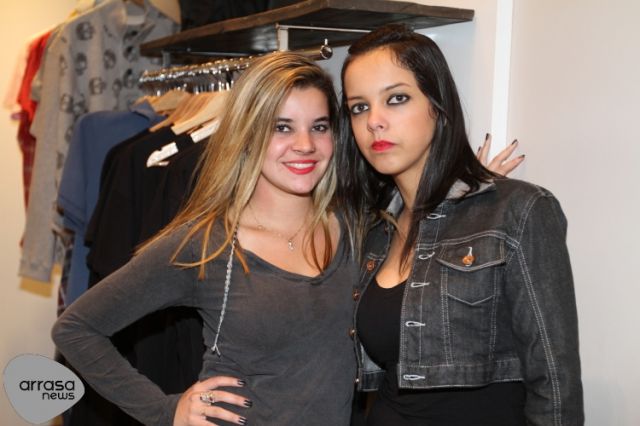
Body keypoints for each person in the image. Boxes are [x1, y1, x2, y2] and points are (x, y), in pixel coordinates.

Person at [52, 51, 359, 426]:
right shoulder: (207, 244)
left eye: (319, 126)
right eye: (282, 127)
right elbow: (76, 329)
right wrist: (164, 411)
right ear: (247, 135)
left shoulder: (353, 229)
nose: (305, 144)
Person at [336, 24, 583, 425]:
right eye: (359, 107)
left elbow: (555, 384)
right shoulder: (374, 231)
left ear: (438, 105)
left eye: (396, 99)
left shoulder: (518, 211)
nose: (374, 122)